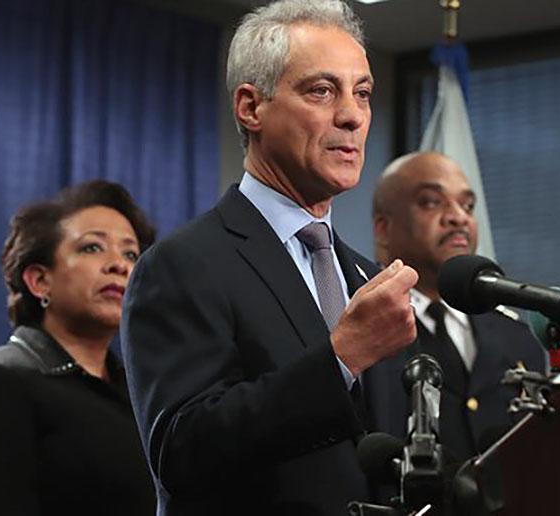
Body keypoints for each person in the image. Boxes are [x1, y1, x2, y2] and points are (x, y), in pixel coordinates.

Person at [121, 1, 419, 515]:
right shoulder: (182, 264)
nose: (351, 115)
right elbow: (181, 449)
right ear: (251, 107)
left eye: (363, 94)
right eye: (322, 91)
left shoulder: (364, 277)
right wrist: (340, 359)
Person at [0, 180, 157, 516]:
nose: (119, 265)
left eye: (130, 254)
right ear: (39, 281)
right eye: (93, 248)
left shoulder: (143, 393)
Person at [372, 151, 546, 462]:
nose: (458, 217)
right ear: (384, 229)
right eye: (430, 201)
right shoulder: (363, 327)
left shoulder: (515, 335)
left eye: (467, 205)